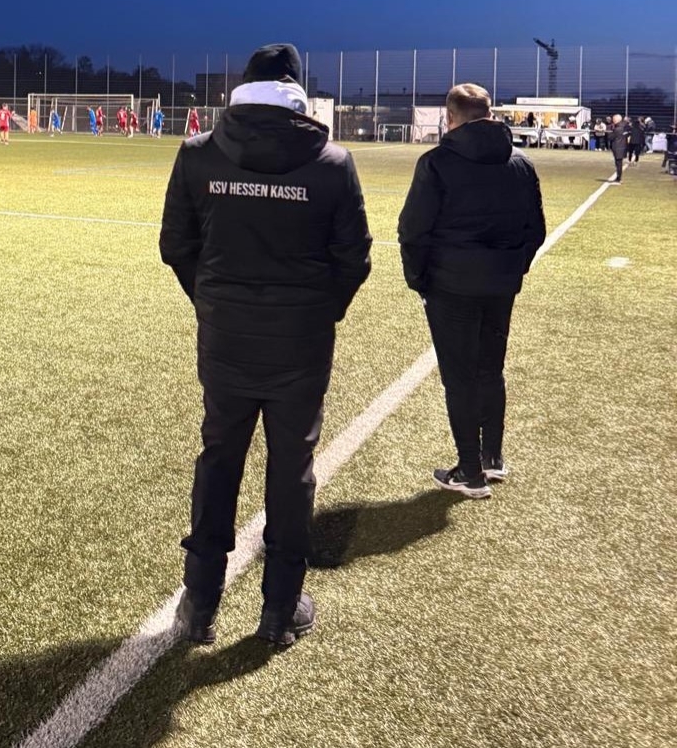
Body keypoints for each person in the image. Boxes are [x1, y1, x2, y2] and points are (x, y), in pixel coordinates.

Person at [161, 44, 372, 648]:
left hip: (226, 337)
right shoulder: (331, 162)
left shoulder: (199, 153)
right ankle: (280, 610)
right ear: (297, 91)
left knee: (219, 458)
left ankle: (200, 603)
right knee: (292, 469)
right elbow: (353, 259)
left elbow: (176, 245)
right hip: (300, 344)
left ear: (244, 86)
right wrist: (316, 312)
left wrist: (213, 302)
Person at [397, 84, 546, 499]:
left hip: (451, 287)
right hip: (500, 286)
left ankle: (470, 470)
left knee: (459, 378)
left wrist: (419, 281)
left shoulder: (436, 163)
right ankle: (492, 456)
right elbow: (536, 230)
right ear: (489, 114)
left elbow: (412, 230)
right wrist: (512, 269)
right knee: (490, 370)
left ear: (450, 118)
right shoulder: (521, 164)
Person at [609, 114, 629, 182]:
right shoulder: (625, 127)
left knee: (618, 164)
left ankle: (619, 178)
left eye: (614, 119)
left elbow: (610, 137)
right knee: (619, 163)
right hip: (623, 147)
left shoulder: (617, 129)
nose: (613, 120)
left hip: (617, 147)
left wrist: (612, 130)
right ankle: (618, 177)